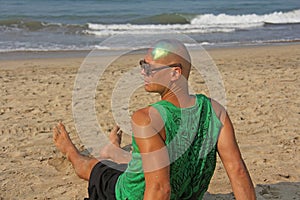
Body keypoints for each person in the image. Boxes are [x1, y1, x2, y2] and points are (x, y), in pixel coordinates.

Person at [53, 39, 256, 199]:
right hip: (174, 186)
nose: (142, 72)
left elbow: (160, 189)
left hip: (128, 194)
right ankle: (111, 152)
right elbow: (237, 170)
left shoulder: (146, 118)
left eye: (149, 68)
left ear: (175, 73)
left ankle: (73, 153)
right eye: (142, 65)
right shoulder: (216, 110)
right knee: (137, 163)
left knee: (90, 168)